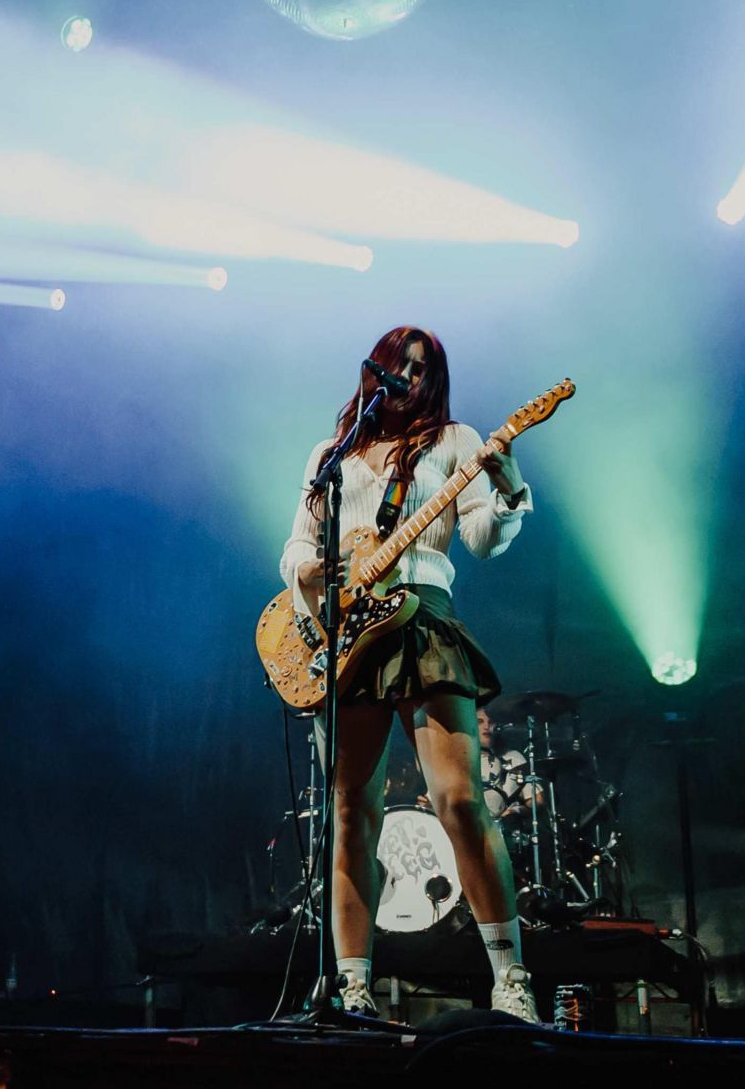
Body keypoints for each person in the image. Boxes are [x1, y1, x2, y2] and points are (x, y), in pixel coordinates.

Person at [278, 326, 537, 1022]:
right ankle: (354, 986)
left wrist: (506, 476)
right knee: (348, 813)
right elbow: (297, 550)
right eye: (402, 366)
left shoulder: (455, 441)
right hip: (350, 634)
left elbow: (484, 540)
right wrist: (307, 577)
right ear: (379, 371)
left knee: (457, 799)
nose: (412, 379)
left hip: (425, 620)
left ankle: (510, 979)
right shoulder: (332, 455)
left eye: (425, 370)